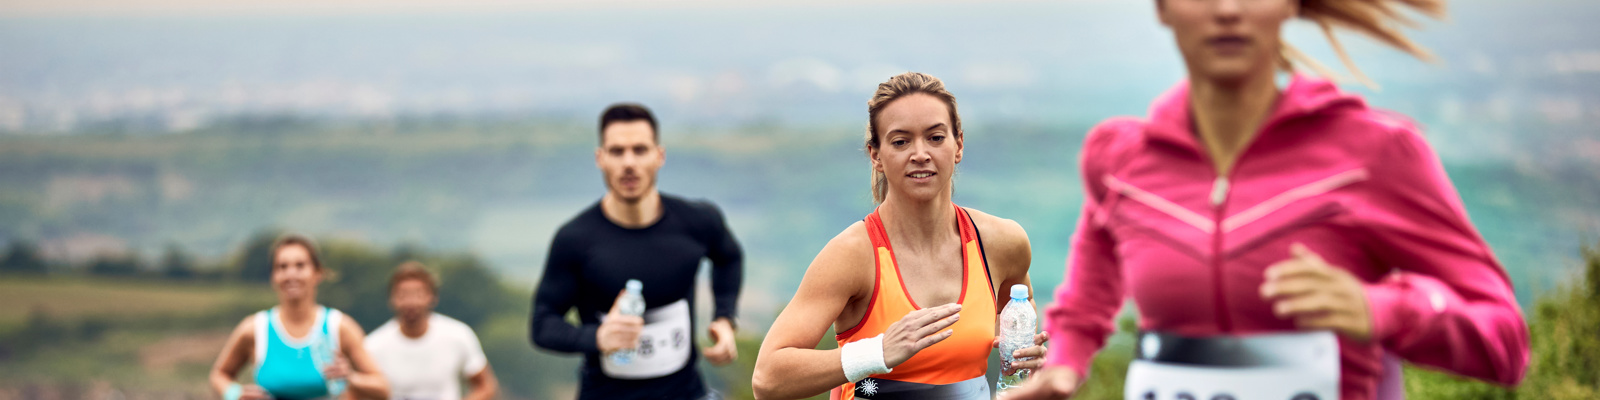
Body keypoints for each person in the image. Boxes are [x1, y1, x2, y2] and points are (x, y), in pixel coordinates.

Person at [1005, 1, 1529, 399]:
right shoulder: (1118, 160)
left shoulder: (1377, 153)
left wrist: (1385, 309)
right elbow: (1088, 295)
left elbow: (1505, 341)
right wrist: (1063, 365)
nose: (1228, 10)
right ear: (1162, 8)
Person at [751, 72, 1047, 400]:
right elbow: (768, 379)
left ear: (958, 145)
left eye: (935, 138)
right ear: (876, 155)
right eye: (900, 141)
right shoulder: (852, 255)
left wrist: (1022, 357)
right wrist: (877, 352)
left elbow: (1017, 309)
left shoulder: (1002, 242)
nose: (919, 153)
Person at [530, 103, 745, 399]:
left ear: (659, 156)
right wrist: (597, 336)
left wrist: (724, 317)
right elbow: (542, 324)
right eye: (617, 152)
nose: (629, 163)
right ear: (600, 158)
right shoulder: (575, 239)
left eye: (640, 150)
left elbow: (729, 258)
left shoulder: (698, 221)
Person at [209, 234, 390, 400]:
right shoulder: (255, 328)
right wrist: (234, 394)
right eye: (282, 267)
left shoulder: (340, 327)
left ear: (317, 273)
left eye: (300, 266)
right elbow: (219, 375)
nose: (291, 274)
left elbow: (382, 388)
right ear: (273, 276)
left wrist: (350, 377)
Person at [365, 261, 500, 400]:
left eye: (418, 294)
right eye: (403, 294)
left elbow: (486, 386)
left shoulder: (458, 335)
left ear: (433, 297)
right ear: (391, 299)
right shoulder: (373, 345)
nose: (411, 302)